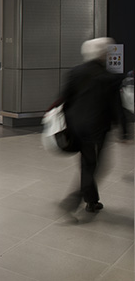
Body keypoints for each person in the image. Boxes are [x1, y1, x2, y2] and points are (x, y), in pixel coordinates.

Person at [60, 38, 124, 214]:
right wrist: (124, 131)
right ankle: (74, 199)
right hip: (97, 128)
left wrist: (67, 121)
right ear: (103, 54)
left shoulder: (75, 72)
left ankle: (92, 201)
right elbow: (116, 105)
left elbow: (65, 98)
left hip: (76, 125)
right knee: (94, 165)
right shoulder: (108, 76)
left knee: (86, 163)